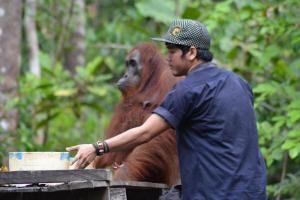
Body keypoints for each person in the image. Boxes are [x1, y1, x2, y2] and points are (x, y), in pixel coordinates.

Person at [66, 19, 267, 200]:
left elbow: (146, 133)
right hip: (253, 190)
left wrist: (96, 147)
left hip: (214, 193)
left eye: (172, 52)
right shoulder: (238, 82)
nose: (167, 58)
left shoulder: (187, 89)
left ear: (192, 52)